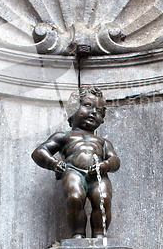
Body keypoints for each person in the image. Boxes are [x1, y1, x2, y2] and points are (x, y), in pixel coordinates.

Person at [32, 86, 120, 238]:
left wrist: (105, 165)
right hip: (73, 171)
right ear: (73, 109)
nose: (93, 112)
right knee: (74, 197)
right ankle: (77, 234)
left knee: (104, 199)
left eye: (99, 111)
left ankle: (100, 236)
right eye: (87, 106)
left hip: (98, 173)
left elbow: (115, 160)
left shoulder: (103, 142)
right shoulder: (64, 136)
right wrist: (54, 164)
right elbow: (39, 152)